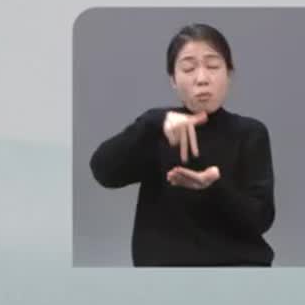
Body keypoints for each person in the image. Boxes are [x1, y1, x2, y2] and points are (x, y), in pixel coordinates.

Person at [88, 22, 276, 266]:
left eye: (213, 66)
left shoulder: (250, 133)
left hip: (237, 275)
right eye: (188, 68)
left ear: (229, 74)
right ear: (173, 80)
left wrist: (213, 186)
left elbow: (260, 221)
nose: (202, 78)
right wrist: (153, 121)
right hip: (164, 280)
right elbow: (103, 172)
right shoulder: (157, 131)